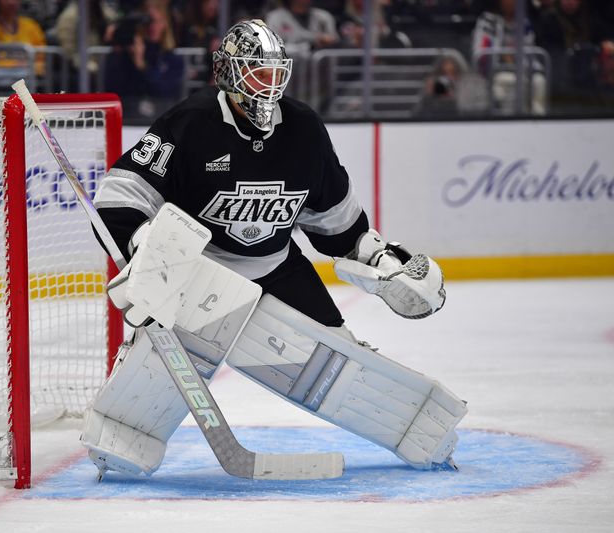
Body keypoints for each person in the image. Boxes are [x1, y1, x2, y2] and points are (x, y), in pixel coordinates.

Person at [81, 19, 464, 479]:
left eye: (275, 72)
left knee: (341, 359)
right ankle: (121, 437)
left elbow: (336, 224)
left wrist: (381, 260)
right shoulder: (190, 122)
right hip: (201, 274)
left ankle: (413, 430)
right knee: (166, 360)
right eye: (257, 72)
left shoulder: (303, 129)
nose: (270, 83)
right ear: (228, 73)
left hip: (277, 268)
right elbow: (121, 197)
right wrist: (148, 259)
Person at [103, 0, 184, 120]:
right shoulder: (125, 54)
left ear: (165, 23)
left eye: (156, 21)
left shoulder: (172, 59)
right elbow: (114, 91)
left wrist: (141, 66)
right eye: (148, 22)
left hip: (161, 119)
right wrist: (120, 50)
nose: (151, 26)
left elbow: (165, 92)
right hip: (128, 119)